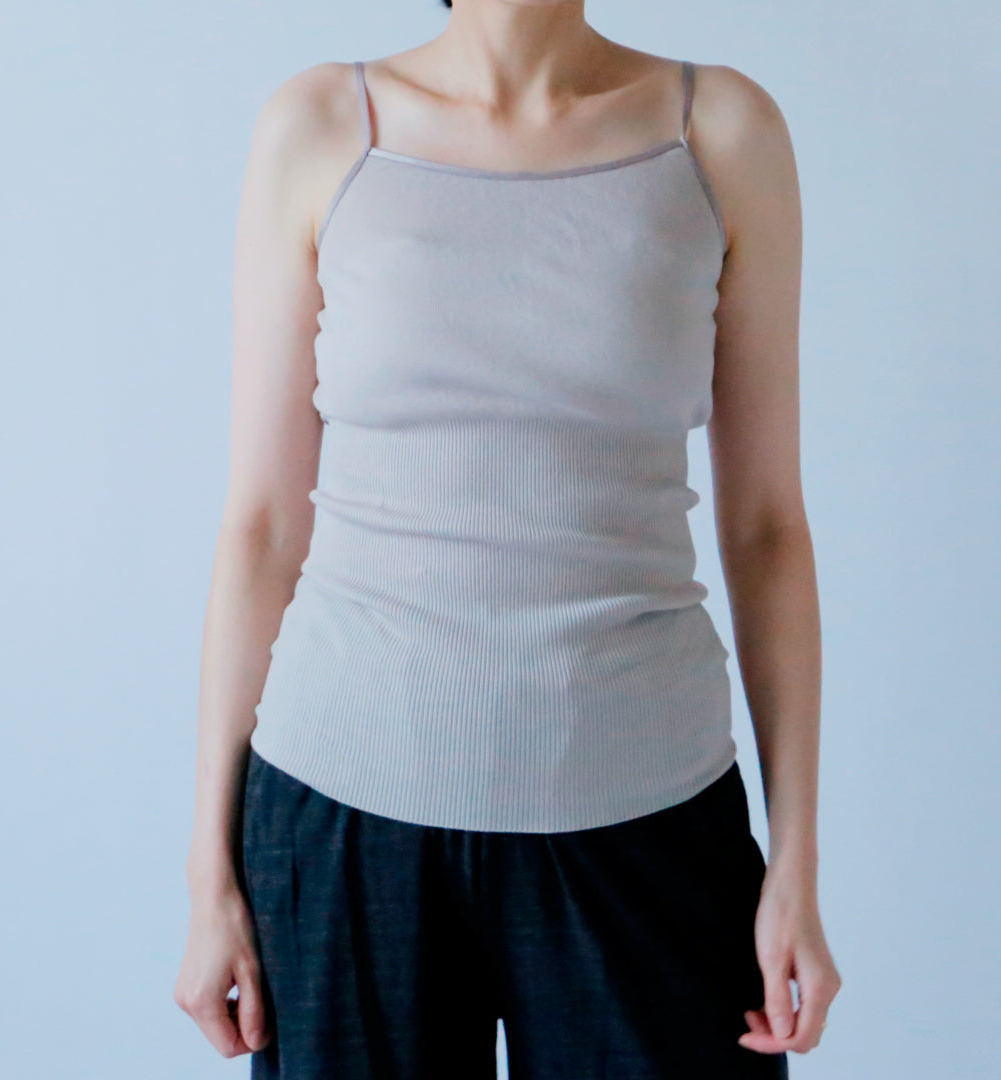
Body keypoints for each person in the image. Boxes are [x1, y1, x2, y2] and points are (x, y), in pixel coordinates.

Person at [174, 3, 842, 1077]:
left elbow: (767, 528)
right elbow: (260, 525)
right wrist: (208, 872)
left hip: (648, 815)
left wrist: (796, 864)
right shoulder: (321, 125)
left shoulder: (720, 131)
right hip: (345, 817)